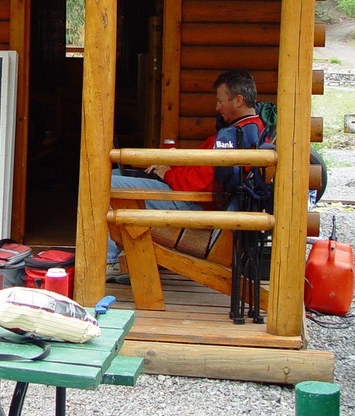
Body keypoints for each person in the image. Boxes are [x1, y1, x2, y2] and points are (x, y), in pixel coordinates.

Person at [106, 69, 266, 277]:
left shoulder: (236, 136)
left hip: (190, 204)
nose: (217, 107)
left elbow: (201, 183)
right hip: (191, 198)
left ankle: (110, 262)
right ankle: (123, 256)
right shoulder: (251, 130)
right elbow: (206, 173)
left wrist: (167, 174)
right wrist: (173, 164)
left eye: (220, 101)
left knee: (107, 183)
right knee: (117, 173)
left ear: (238, 101)